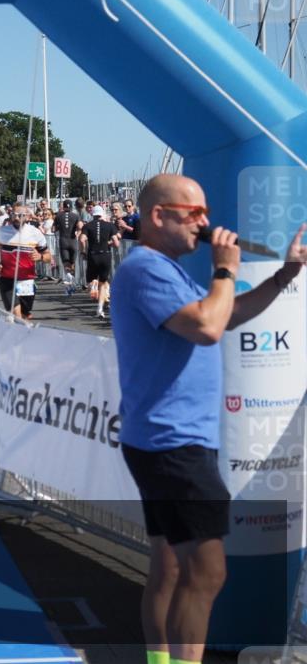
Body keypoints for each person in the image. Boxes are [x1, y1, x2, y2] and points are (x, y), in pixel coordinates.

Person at [111, 174, 306, 664]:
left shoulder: (167, 270)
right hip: (172, 445)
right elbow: (207, 326)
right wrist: (224, 269)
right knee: (208, 571)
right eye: (194, 213)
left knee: (171, 566)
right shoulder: (144, 269)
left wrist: (284, 276)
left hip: (167, 441)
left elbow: (226, 314)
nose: (206, 222)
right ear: (160, 216)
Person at [0, 206, 51, 320]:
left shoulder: (35, 233)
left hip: (27, 280)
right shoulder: (3, 232)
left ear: (27, 217)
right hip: (7, 278)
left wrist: (40, 256)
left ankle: (25, 334)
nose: (16, 217)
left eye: (20, 215)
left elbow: (49, 257)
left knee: (24, 316)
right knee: (16, 314)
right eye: (14, 214)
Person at [79, 205, 120, 318]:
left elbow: (82, 239)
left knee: (91, 279)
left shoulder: (87, 226)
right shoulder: (110, 225)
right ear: (102, 214)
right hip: (105, 255)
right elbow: (116, 243)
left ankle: (93, 284)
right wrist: (109, 243)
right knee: (103, 283)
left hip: (93, 255)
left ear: (93, 214)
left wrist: (83, 251)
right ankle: (100, 309)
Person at [53, 200, 82, 294]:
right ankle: (72, 284)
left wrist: (59, 227)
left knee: (66, 263)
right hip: (73, 241)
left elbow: (53, 229)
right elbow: (80, 226)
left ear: (64, 206)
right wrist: (77, 232)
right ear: (71, 206)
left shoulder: (58, 216)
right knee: (72, 263)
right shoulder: (75, 215)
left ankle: (69, 283)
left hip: (63, 241)